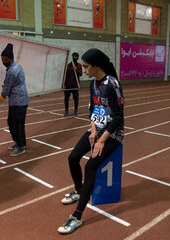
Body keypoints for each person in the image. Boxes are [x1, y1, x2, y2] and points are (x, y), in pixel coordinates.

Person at [58, 48, 124, 234]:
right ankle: (79, 191)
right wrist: (93, 131)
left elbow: (118, 117)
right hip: (97, 130)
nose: (83, 70)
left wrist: (101, 140)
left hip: (112, 134)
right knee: (73, 157)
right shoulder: (94, 83)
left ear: (96, 66)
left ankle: (77, 216)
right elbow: (92, 110)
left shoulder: (112, 84)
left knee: (90, 167)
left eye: (86, 67)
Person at [0, 43, 29, 157]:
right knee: (14, 123)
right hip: (17, 101)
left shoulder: (12, 71)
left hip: (18, 101)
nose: (4, 61)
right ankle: (19, 142)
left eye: (6, 59)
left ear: (11, 58)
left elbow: (7, 89)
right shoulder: (16, 66)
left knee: (16, 124)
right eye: (2, 59)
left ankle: (20, 146)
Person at [64, 52, 82, 117]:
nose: (75, 58)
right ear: (72, 57)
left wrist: (76, 70)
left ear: (77, 58)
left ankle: (76, 110)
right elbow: (65, 75)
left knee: (76, 98)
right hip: (68, 85)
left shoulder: (79, 65)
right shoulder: (68, 65)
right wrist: (64, 83)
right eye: (74, 56)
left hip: (75, 85)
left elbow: (80, 74)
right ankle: (66, 111)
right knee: (66, 99)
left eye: (76, 57)